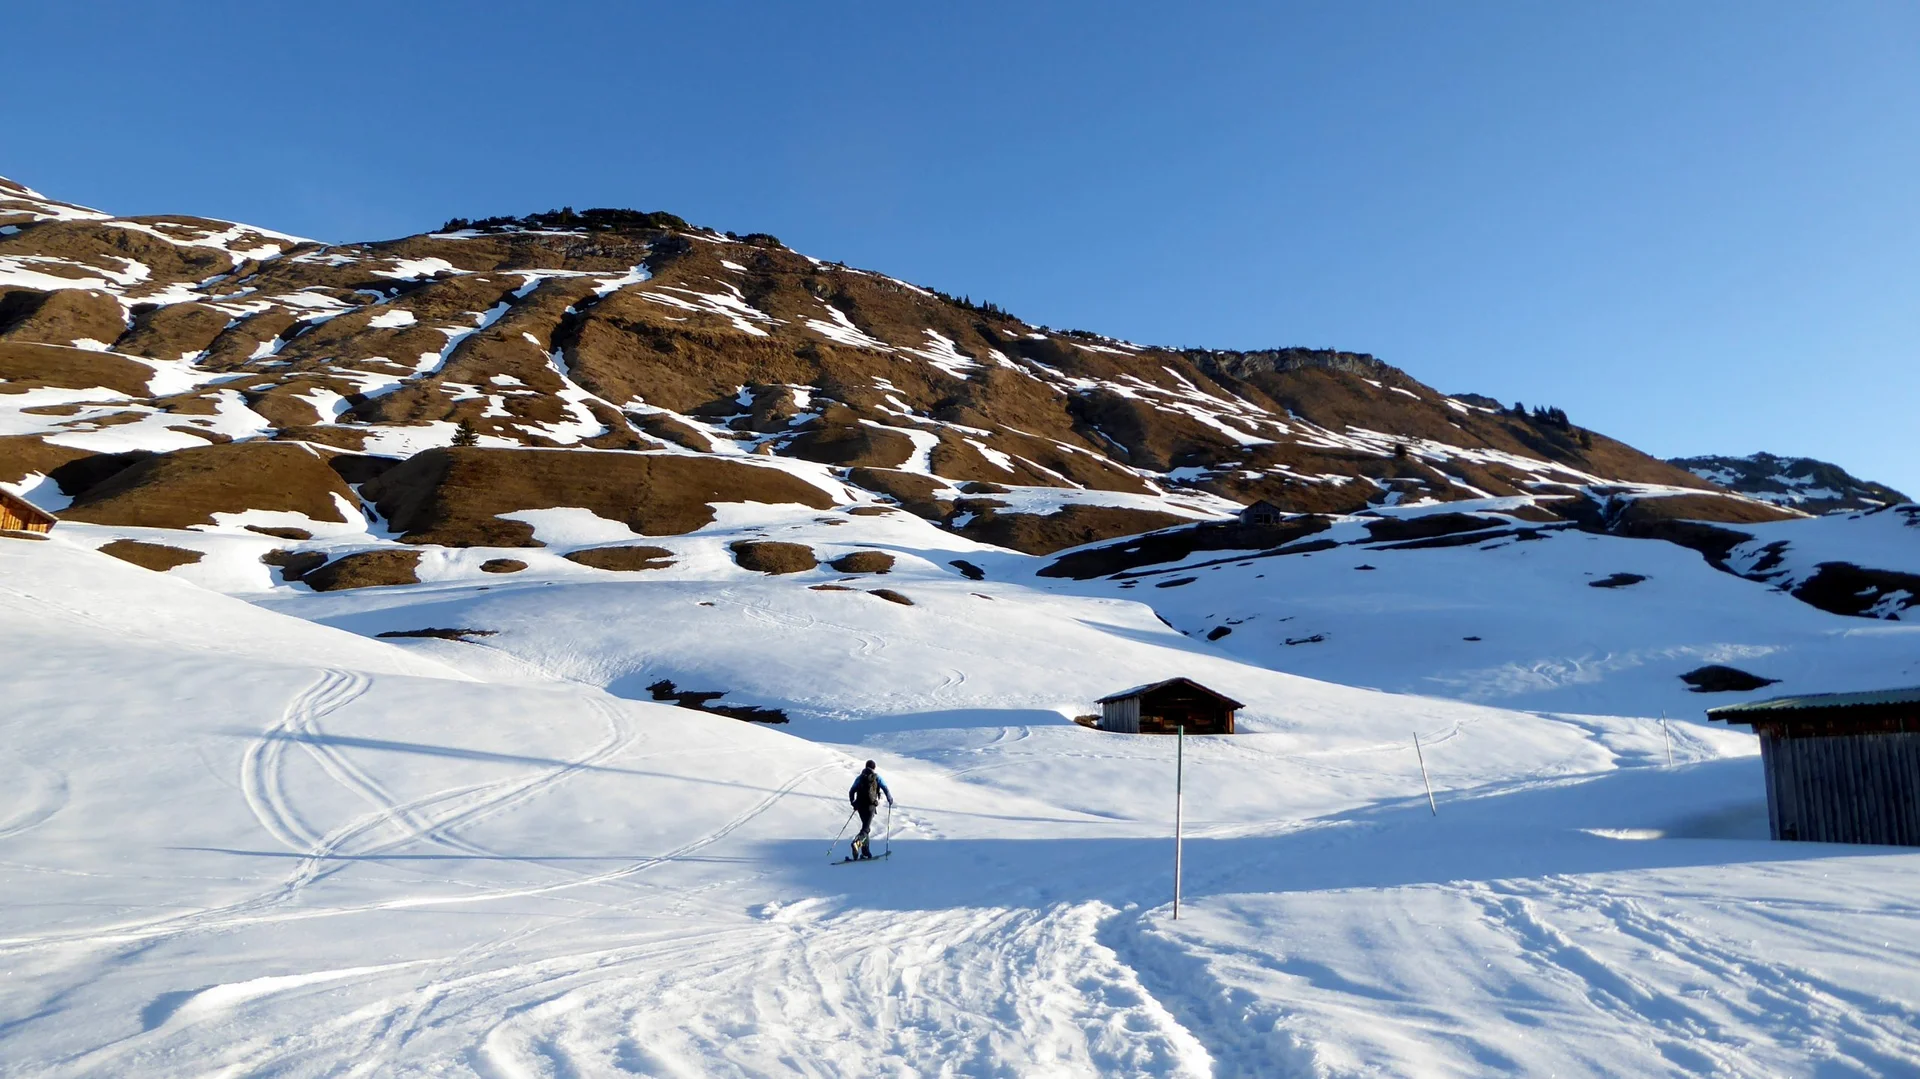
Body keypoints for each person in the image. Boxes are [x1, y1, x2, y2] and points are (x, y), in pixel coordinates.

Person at [847, 759, 893, 860]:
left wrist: (853, 803)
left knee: (865, 827)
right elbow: (885, 788)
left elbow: (851, 791)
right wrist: (890, 799)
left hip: (860, 806)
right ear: (874, 768)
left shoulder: (860, 778)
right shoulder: (876, 777)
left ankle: (865, 852)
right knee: (866, 829)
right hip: (870, 806)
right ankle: (856, 842)